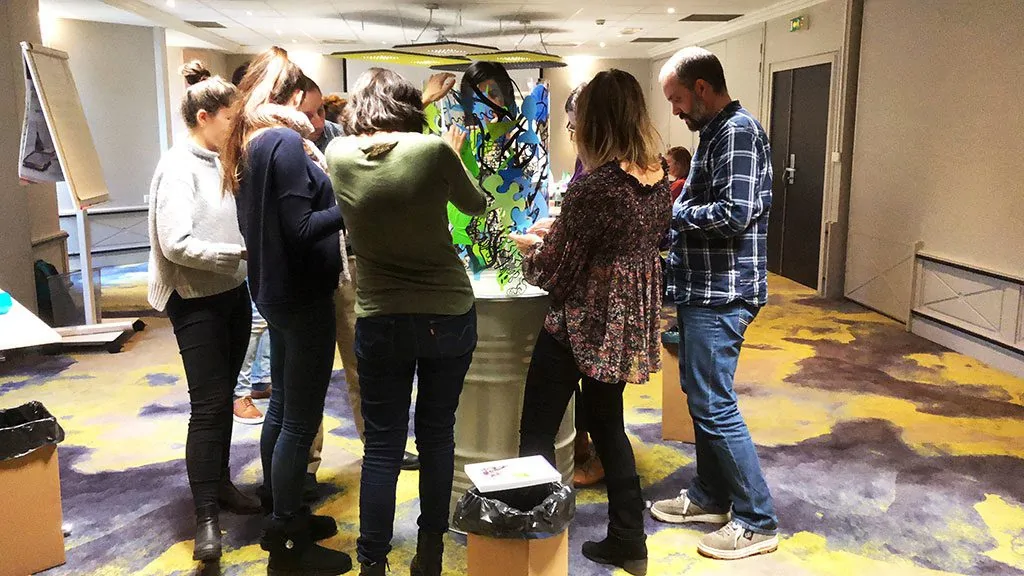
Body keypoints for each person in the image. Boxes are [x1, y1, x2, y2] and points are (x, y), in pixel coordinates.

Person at [326, 68, 487, 576]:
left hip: (379, 318)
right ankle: (431, 555)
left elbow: (381, 143)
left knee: (382, 446)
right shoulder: (434, 150)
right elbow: (476, 204)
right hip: (447, 312)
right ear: (409, 108)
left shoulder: (337, 156)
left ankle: (372, 560)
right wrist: (454, 158)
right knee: (438, 437)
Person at [512, 69, 670, 576]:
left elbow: (555, 273)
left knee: (536, 430)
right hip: (622, 325)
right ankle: (629, 538)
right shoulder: (658, 176)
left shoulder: (595, 188)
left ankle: (530, 539)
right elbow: (621, 245)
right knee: (608, 428)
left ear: (592, 118)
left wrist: (531, 248)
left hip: (577, 325)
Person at [222, 47, 352, 575]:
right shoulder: (283, 143)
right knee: (299, 418)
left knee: (281, 410)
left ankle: (284, 510)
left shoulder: (252, 141)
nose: (318, 120)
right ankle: (287, 540)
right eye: (314, 107)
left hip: (274, 291)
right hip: (301, 295)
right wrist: (353, 206)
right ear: (295, 97)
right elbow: (300, 229)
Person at [650, 46, 779, 561]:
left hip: (725, 293)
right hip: (703, 289)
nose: (676, 111)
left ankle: (756, 519)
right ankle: (710, 495)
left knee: (714, 402)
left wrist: (673, 216)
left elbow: (735, 212)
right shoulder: (715, 134)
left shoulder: (739, 132)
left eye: (677, 98)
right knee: (700, 396)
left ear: (701, 87)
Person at [147, 60, 261, 562]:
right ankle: (206, 516)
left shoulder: (222, 159)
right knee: (210, 405)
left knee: (226, 394)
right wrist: (237, 255)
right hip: (194, 299)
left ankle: (221, 484)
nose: (238, 126)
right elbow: (175, 244)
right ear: (204, 116)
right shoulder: (177, 166)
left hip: (230, 292)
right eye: (231, 118)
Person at [562, 81, 605, 489]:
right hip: (610, 305)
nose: (573, 134)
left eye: (576, 126)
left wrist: (541, 251)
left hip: (595, 305)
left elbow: (569, 256)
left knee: (594, 394)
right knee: (603, 399)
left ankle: (585, 453)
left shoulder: (598, 180)